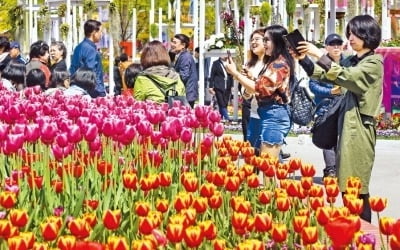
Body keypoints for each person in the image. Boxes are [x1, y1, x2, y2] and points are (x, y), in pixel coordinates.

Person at [296, 15, 383, 223]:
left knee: (356, 187)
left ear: (367, 35)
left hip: (360, 130)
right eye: (349, 33)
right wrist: (304, 59)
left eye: (354, 33)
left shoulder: (374, 63)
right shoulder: (353, 61)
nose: (350, 38)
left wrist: (319, 53)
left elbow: (348, 77)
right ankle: (352, 233)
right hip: (346, 127)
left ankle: (365, 236)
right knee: (346, 186)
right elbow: (325, 74)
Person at [225, 25, 295, 160]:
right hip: (267, 114)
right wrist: (251, 78)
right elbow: (264, 86)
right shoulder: (275, 62)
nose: (264, 44)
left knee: (268, 165)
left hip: (274, 115)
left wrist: (235, 73)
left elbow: (260, 89)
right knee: (264, 163)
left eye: (266, 40)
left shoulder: (279, 64)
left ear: (277, 41)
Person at [308, 33, 345, 178]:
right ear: (326, 47)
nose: (336, 47)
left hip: (343, 106)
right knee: (328, 138)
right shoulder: (319, 65)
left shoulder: (348, 63)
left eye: (338, 44)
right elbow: (313, 86)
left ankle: (341, 168)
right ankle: (330, 169)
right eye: (332, 44)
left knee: (342, 139)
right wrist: (330, 91)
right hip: (326, 107)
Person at [241, 28, 267, 154]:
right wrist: (247, 91)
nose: (253, 42)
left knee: (266, 155)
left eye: (257, 39)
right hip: (254, 112)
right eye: (251, 40)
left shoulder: (272, 63)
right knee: (251, 152)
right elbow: (245, 93)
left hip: (269, 114)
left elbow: (267, 86)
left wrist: (253, 79)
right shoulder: (250, 64)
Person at [70, 19, 106, 98]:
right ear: (94, 32)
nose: (101, 34)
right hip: (91, 92)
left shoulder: (78, 47)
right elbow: (92, 73)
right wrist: (100, 93)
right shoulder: (90, 50)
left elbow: (72, 69)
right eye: (100, 32)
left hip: (77, 88)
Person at [170, 34, 198, 107]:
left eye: (175, 42)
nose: (172, 44)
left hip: (187, 95)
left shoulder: (185, 57)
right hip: (185, 94)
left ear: (183, 45)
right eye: (172, 42)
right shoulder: (182, 56)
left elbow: (183, 76)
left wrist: (170, 75)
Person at [209, 56, 233, 121]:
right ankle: (227, 118)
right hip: (218, 86)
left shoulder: (230, 63)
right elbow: (212, 75)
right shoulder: (215, 63)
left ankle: (220, 118)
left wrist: (232, 85)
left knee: (225, 103)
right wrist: (210, 86)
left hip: (227, 86)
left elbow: (231, 75)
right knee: (221, 102)